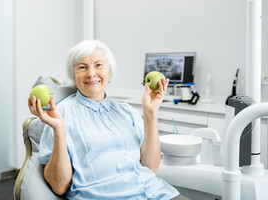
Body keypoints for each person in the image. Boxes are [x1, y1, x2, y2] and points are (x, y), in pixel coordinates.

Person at [28, 40, 181, 199]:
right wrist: (59, 131)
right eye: (82, 67)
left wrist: (150, 114)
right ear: (74, 75)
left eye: (98, 65)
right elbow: (59, 186)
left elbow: (150, 168)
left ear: (110, 72)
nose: (91, 73)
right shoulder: (59, 116)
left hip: (157, 193)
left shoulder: (127, 112)